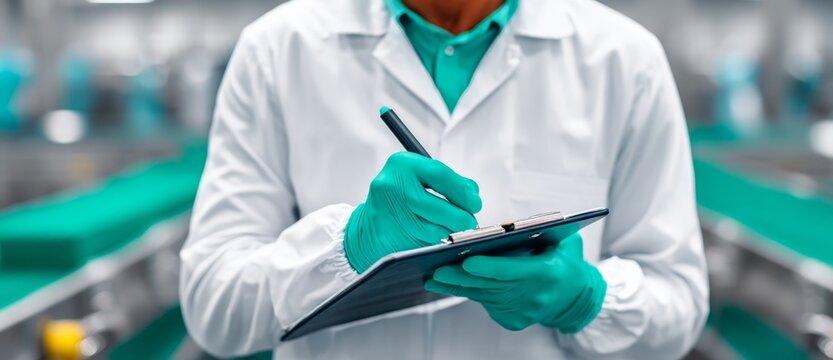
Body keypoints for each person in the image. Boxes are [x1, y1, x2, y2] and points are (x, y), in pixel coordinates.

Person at [179, 0, 709, 358]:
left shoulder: (624, 59)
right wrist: (349, 249)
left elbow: (680, 302)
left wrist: (586, 299)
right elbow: (211, 305)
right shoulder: (277, 50)